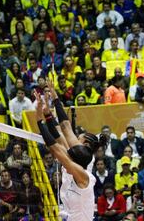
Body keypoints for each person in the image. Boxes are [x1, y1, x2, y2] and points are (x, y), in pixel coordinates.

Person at [34, 81, 105, 221]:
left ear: (85, 144)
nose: (74, 139)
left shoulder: (83, 163)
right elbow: (61, 133)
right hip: (70, 209)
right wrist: (48, 112)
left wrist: (40, 121)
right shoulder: (80, 155)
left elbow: (58, 147)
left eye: (78, 138)